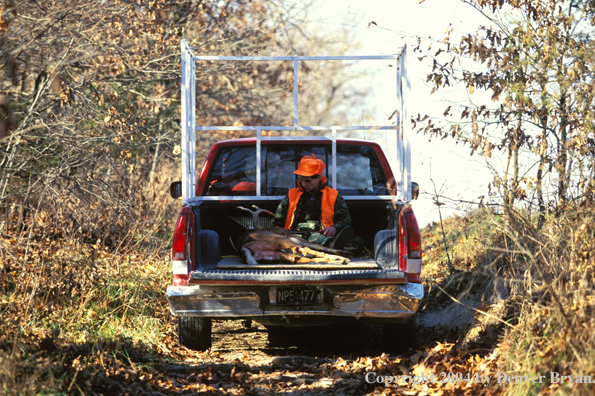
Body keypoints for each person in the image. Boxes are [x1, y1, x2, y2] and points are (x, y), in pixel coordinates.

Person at [271, 154, 364, 256]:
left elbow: (345, 220)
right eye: (301, 180)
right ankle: (328, 248)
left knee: (358, 242)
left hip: (322, 234)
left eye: (307, 181)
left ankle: (324, 247)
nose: (303, 184)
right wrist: (275, 235)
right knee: (311, 240)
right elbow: (277, 221)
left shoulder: (333, 195)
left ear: (318, 178)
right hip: (295, 235)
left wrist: (335, 228)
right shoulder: (291, 195)